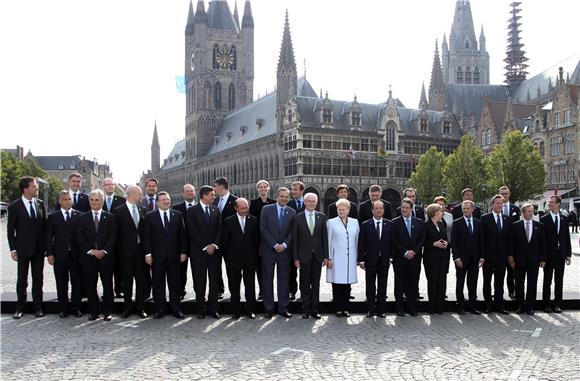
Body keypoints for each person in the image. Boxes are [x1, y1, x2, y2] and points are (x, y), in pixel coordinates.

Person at [144, 191, 188, 319]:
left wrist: (183, 252)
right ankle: (160, 309)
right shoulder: (150, 216)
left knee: (175, 284)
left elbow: (183, 236)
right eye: (163, 199)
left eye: (167, 199)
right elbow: (147, 237)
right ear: (157, 202)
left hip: (174, 256)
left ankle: (176, 309)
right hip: (157, 257)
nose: (166, 201)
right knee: (158, 284)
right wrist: (148, 254)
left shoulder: (178, 215)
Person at [8, 176, 46, 319]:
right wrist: (13, 249)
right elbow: (10, 230)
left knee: (38, 279)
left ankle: (38, 307)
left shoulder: (40, 204)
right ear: (26, 189)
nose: (36, 187)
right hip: (22, 249)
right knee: (22, 279)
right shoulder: (14, 206)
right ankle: (20, 307)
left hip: (38, 249)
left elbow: (44, 227)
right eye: (34, 186)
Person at [76, 189, 117, 321]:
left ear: (102, 201)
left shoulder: (110, 217)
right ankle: (94, 311)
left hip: (106, 258)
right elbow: (79, 237)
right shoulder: (82, 217)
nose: (94, 202)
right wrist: (91, 251)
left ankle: (107, 312)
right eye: (92, 200)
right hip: (89, 258)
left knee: (108, 286)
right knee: (90, 286)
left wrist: (104, 251)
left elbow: (113, 236)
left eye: (97, 200)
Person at [185, 185, 222, 319]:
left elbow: (219, 230)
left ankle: (214, 309)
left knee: (214, 282)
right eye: (212, 194)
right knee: (199, 282)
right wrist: (206, 246)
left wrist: (214, 245)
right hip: (198, 252)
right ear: (204, 195)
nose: (214, 197)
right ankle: (200, 309)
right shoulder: (192, 211)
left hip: (214, 253)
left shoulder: (216, 209)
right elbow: (192, 231)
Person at [112, 185, 148, 319]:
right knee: (127, 282)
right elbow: (116, 234)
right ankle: (127, 307)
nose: (141, 196)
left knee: (141, 281)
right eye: (140, 193)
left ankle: (140, 307)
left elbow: (145, 232)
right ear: (132, 194)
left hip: (141, 252)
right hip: (125, 253)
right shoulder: (118, 211)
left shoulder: (142, 209)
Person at [45, 190, 83, 318]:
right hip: (59, 255)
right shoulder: (52, 217)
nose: (68, 202)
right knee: (61, 283)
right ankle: (63, 308)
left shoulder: (79, 215)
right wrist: (49, 254)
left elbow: (83, 237)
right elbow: (48, 237)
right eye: (65, 199)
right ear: (59, 201)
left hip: (76, 256)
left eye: (69, 199)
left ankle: (76, 307)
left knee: (77, 283)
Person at [260, 187, 296, 318]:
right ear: (277, 196)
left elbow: (293, 231)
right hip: (269, 250)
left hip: (285, 252)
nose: (284, 199)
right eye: (282, 196)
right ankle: (269, 308)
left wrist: (285, 244)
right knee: (267, 280)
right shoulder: (266, 209)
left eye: (286, 197)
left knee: (284, 281)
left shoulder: (292, 211)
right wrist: (275, 245)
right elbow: (263, 229)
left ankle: (283, 308)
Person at [221, 198, 260, 319]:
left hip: (250, 259)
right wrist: (228, 258)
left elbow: (257, 240)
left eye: (246, 207)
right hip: (234, 260)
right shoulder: (228, 221)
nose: (245, 210)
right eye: (242, 208)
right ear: (236, 208)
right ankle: (236, 311)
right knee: (234, 286)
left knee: (250, 286)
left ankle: (250, 310)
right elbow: (225, 242)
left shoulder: (254, 220)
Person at [292, 193, 329, 319]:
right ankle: (305, 309)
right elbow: (295, 240)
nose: (311, 203)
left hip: (318, 256)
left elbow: (325, 238)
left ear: (317, 202)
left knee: (316, 283)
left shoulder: (322, 217)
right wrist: (295, 258)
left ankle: (315, 310)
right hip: (303, 256)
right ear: (305, 202)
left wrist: (326, 256)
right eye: (309, 201)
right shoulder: (298, 218)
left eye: (314, 201)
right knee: (304, 283)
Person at [508, 203, 546, 315]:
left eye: (532, 211)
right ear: (523, 213)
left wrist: (543, 259)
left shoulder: (539, 225)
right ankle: (520, 306)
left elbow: (542, 244)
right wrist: (511, 257)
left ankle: (530, 307)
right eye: (528, 211)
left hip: (534, 260)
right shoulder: (515, 225)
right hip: (519, 260)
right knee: (519, 284)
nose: (531, 213)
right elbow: (511, 243)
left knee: (532, 284)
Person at [357, 200, 393, 317]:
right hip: (370, 260)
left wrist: (391, 258)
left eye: (380, 208)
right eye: (376, 208)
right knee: (370, 285)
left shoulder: (389, 224)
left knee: (382, 285)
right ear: (372, 210)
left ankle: (381, 309)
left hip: (384, 260)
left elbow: (392, 243)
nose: (378, 210)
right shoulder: (365, 225)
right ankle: (371, 309)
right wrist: (361, 260)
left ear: (383, 210)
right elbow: (361, 243)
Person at [392, 198, 425, 316]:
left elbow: (422, 239)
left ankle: (411, 307)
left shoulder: (419, 222)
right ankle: (399, 307)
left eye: (407, 208)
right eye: (402, 208)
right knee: (399, 284)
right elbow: (394, 240)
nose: (404, 210)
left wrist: (414, 252)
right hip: (400, 258)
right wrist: (405, 252)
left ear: (411, 209)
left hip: (414, 259)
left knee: (412, 283)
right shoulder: (394, 222)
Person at [327, 198, 360, 317]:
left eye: (343, 209)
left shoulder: (355, 222)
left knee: (347, 284)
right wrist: (329, 258)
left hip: (350, 257)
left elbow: (357, 241)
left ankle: (346, 308)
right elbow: (328, 241)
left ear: (348, 210)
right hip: (336, 258)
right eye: (339, 209)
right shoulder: (331, 222)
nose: (341, 211)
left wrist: (357, 258)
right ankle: (338, 308)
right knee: (337, 283)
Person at [451, 200, 484, 315]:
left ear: (472, 209)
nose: (465, 210)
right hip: (461, 259)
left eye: (467, 208)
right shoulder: (457, 223)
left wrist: (482, 257)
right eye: (463, 209)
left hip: (475, 259)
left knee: (473, 283)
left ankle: (472, 306)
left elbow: (481, 241)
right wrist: (456, 258)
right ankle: (460, 307)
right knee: (460, 283)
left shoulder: (478, 223)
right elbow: (454, 242)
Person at [541, 195, 572, 313]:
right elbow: (542, 241)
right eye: (549, 202)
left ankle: (558, 304)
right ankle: (547, 304)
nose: (549, 204)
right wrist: (542, 257)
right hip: (549, 255)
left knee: (559, 280)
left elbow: (566, 238)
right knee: (547, 280)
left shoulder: (564, 219)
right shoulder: (544, 219)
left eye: (552, 202)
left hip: (561, 255)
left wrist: (568, 254)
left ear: (558, 204)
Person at [480, 195, 510, 314]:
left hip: (502, 257)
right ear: (492, 204)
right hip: (488, 256)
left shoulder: (507, 219)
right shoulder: (485, 218)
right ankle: (488, 305)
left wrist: (509, 254)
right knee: (487, 281)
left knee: (500, 281)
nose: (499, 206)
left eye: (501, 204)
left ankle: (499, 305)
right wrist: (482, 256)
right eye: (497, 203)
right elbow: (481, 239)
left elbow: (509, 239)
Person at [249, 180, 276, 301]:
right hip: (259, 239)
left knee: (269, 267)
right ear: (258, 189)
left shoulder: (274, 202)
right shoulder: (254, 203)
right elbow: (253, 221)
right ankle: (261, 290)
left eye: (265, 187)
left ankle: (268, 290)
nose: (263, 189)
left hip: (271, 239)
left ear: (268, 188)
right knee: (259, 268)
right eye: (261, 187)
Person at [213, 176, 237, 300]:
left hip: (231, 242)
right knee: (216, 267)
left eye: (215, 186)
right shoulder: (214, 201)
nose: (214, 189)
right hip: (217, 241)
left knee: (231, 268)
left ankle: (234, 291)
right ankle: (219, 290)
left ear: (221, 186)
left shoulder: (235, 201)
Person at [102, 177, 127, 298]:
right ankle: (107, 291)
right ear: (103, 186)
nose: (109, 186)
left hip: (118, 239)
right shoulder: (97, 199)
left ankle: (119, 289)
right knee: (104, 268)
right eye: (107, 185)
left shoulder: (122, 200)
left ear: (114, 186)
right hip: (102, 239)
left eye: (111, 184)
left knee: (118, 266)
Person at [172, 184, 197, 300]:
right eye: (187, 191)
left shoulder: (201, 206)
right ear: (183, 193)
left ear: (195, 193)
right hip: (181, 244)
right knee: (181, 270)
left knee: (199, 270)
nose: (189, 193)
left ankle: (199, 292)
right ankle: (180, 290)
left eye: (191, 191)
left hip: (197, 244)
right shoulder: (176, 208)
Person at [423, 203, 449, 315]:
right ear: (435, 213)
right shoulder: (425, 225)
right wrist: (434, 243)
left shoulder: (441, 224)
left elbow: (445, 237)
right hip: (430, 258)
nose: (442, 213)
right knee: (433, 282)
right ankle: (432, 307)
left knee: (442, 282)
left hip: (443, 257)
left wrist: (446, 242)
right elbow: (422, 241)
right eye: (441, 211)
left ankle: (440, 307)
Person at [499, 185, 521, 300]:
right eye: (502, 193)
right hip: (500, 244)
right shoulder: (496, 207)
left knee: (512, 270)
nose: (504, 196)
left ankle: (512, 290)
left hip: (512, 244)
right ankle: (498, 292)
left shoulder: (515, 209)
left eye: (506, 193)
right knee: (499, 271)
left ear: (509, 194)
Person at [287, 181, 306, 301]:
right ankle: (291, 291)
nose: (292, 192)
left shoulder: (309, 202)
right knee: (291, 270)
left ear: (301, 190)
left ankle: (305, 293)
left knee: (305, 270)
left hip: (305, 242)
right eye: (292, 189)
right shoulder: (288, 204)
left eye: (295, 189)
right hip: (292, 242)